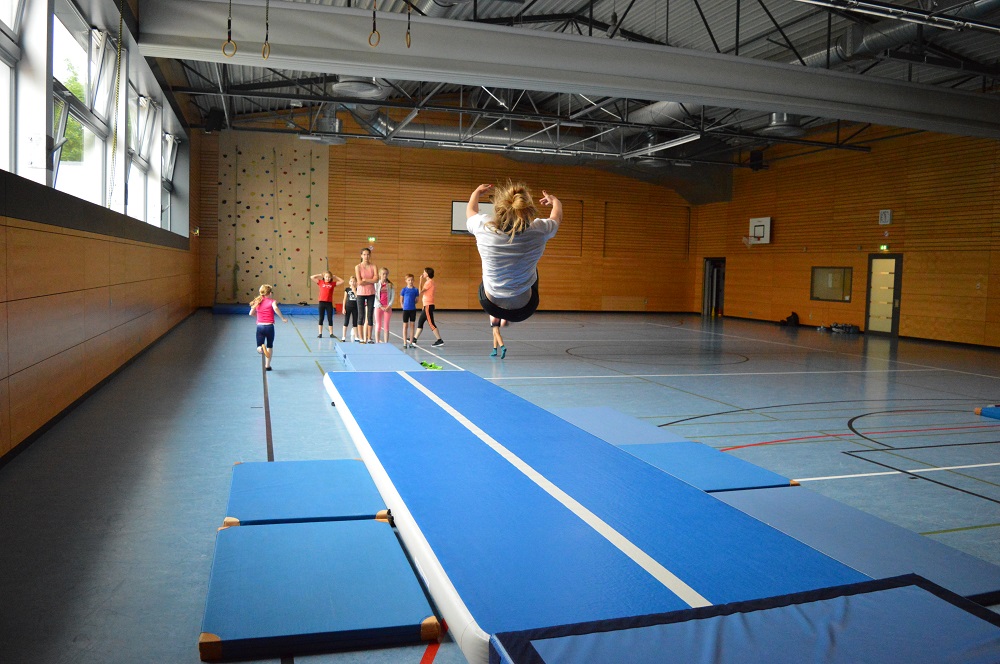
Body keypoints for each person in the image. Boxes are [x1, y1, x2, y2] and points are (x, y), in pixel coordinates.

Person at [466, 182, 561, 327]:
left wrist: (477, 193)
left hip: (490, 304)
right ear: (528, 211)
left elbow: (470, 211)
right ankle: (506, 311)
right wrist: (555, 201)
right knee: (532, 269)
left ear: (498, 209)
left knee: (490, 270)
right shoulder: (539, 230)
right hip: (524, 309)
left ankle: (496, 315)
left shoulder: (483, 226)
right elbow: (557, 217)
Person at [249, 284, 288, 371]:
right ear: (270, 293)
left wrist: (258, 317)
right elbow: (276, 308)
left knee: (259, 346)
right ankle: (267, 365)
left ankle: (260, 349)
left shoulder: (257, 301)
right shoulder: (272, 301)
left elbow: (251, 313)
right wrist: (282, 318)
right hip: (269, 327)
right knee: (270, 345)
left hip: (260, 326)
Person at [413, 267, 443, 347]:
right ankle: (414, 339)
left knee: (431, 323)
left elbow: (420, 291)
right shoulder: (430, 282)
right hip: (426, 305)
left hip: (428, 305)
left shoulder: (429, 282)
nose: (423, 273)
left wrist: (420, 280)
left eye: (424, 272)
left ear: (427, 274)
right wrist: (424, 306)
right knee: (420, 322)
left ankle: (439, 340)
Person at [354, 247, 378, 344]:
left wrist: (366, 280)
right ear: (361, 256)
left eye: (368, 254)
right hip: (361, 293)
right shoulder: (358, 267)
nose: (366, 256)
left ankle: (369, 337)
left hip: (371, 293)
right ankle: (361, 338)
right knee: (361, 315)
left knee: (370, 315)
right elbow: (359, 282)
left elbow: (376, 279)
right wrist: (370, 280)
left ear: (370, 255)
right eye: (364, 254)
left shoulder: (373, 266)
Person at [310, 271, 343, 338]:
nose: (327, 278)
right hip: (321, 302)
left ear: (331, 278)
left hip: (329, 303)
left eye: (329, 277)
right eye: (326, 277)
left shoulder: (332, 284)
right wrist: (320, 274)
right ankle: (320, 333)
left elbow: (342, 281)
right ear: (324, 277)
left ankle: (331, 333)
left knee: (330, 318)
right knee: (321, 318)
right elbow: (312, 277)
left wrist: (335, 276)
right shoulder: (320, 282)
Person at [373, 267, 395, 344]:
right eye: (383, 274)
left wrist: (389, 305)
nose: (385, 275)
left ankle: (386, 342)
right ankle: (377, 341)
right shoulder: (376, 284)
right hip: (378, 307)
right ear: (380, 274)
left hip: (387, 307)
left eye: (386, 274)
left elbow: (392, 296)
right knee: (378, 324)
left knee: (386, 325)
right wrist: (380, 306)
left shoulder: (390, 285)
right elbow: (375, 296)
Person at [399, 274, 419, 348]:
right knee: (405, 326)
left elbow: (417, 300)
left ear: (413, 280)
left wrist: (413, 302)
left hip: (413, 310)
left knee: (412, 325)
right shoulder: (404, 290)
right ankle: (405, 342)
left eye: (412, 280)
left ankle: (410, 342)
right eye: (409, 280)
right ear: (406, 281)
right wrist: (403, 306)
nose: (410, 281)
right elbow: (401, 300)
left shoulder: (416, 290)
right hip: (406, 310)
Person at [341, 276, 359, 342]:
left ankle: (356, 336)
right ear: (349, 282)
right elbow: (344, 299)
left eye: (354, 281)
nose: (352, 283)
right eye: (351, 281)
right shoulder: (347, 289)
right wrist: (343, 308)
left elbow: (358, 298)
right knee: (346, 321)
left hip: (355, 307)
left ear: (356, 282)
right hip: (348, 307)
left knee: (355, 322)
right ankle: (343, 336)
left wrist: (354, 291)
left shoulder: (358, 289)